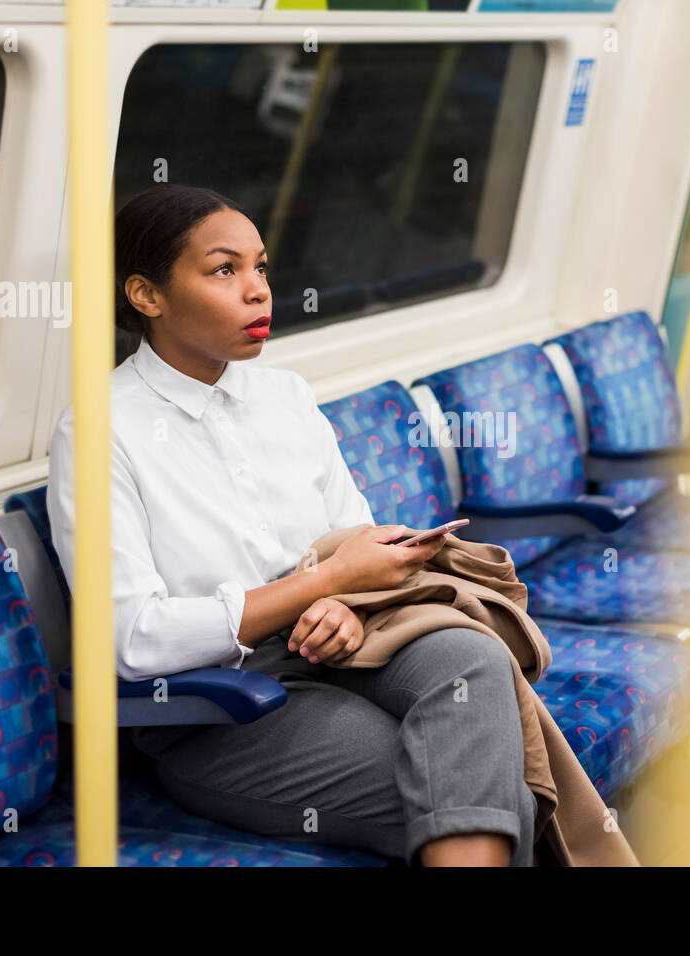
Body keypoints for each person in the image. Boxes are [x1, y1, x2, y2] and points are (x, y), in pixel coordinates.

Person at [46, 184, 537, 866]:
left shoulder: (285, 396)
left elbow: (355, 537)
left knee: (473, 660)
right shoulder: (103, 430)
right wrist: (322, 585)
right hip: (223, 706)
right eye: (225, 270)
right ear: (146, 295)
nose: (258, 291)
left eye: (262, 267)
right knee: (483, 792)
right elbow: (132, 641)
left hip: (349, 647)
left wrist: (341, 600)